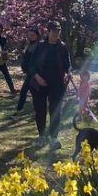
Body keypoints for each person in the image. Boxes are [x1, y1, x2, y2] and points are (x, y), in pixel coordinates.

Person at [31, 19, 71, 149]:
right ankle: (41, 136)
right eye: (54, 31)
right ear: (48, 32)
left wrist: (67, 73)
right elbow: (30, 66)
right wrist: (37, 77)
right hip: (39, 84)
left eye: (58, 31)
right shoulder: (40, 46)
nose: (56, 34)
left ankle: (54, 138)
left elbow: (68, 65)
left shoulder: (62, 47)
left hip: (57, 84)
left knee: (55, 111)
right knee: (40, 110)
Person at [16, 26, 41, 112]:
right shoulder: (29, 45)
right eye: (29, 35)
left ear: (37, 36)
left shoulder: (38, 46)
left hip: (34, 73)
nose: (30, 37)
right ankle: (36, 110)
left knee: (27, 91)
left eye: (33, 35)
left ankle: (20, 110)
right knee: (29, 92)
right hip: (29, 72)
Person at [0, 24, 17, 93]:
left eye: (0, 31)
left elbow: (5, 50)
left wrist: (4, 59)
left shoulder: (3, 39)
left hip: (1, 60)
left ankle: (12, 89)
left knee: (7, 75)